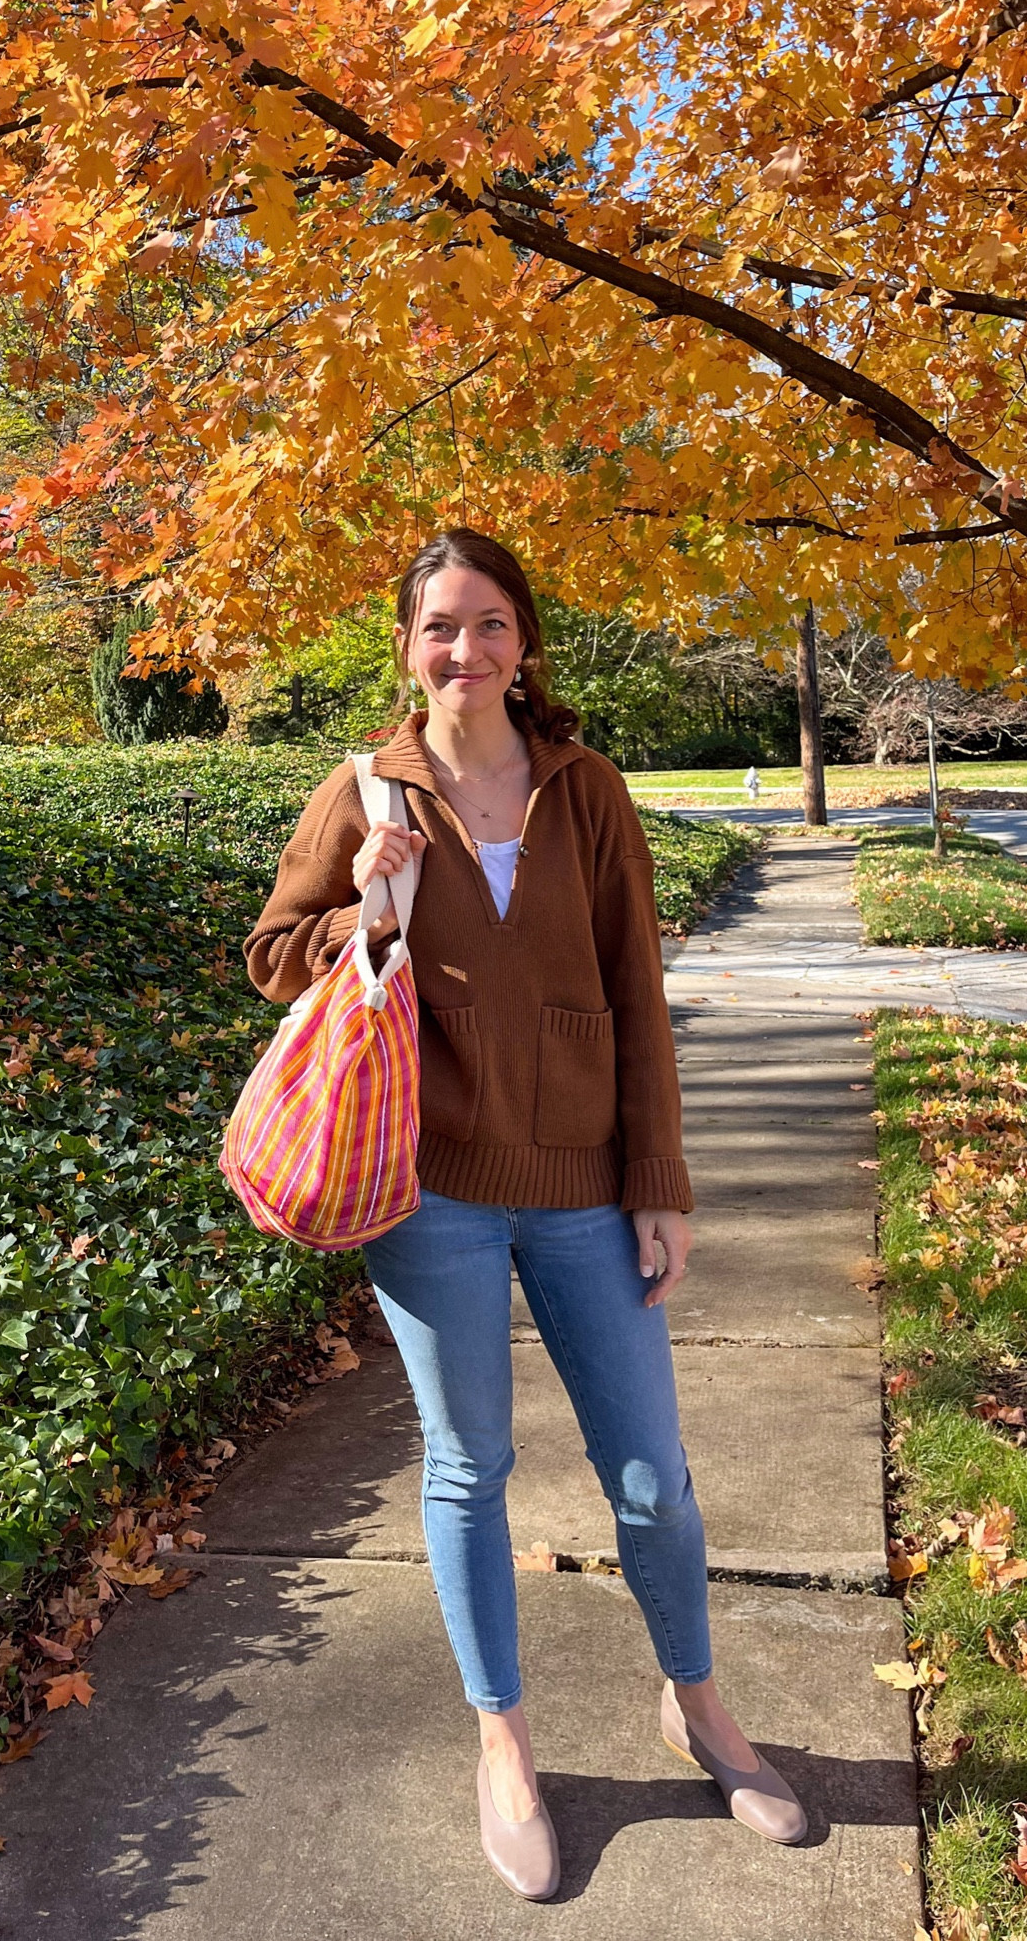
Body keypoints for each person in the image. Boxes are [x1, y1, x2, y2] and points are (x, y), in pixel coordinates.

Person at [244, 528, 806, 1899]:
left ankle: (698, 1703)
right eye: (442, 626)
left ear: (524, 640)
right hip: (425, 1191)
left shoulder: (586, 788)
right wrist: (363, 918)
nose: (466, 650)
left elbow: (634, 985)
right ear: (407, 643)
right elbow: (271, 953)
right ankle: (503, 1738)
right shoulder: (365, 788)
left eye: (490, 624)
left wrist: (658, 1179)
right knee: (466, 1468)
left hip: (581, 1189)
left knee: (651, 1475)